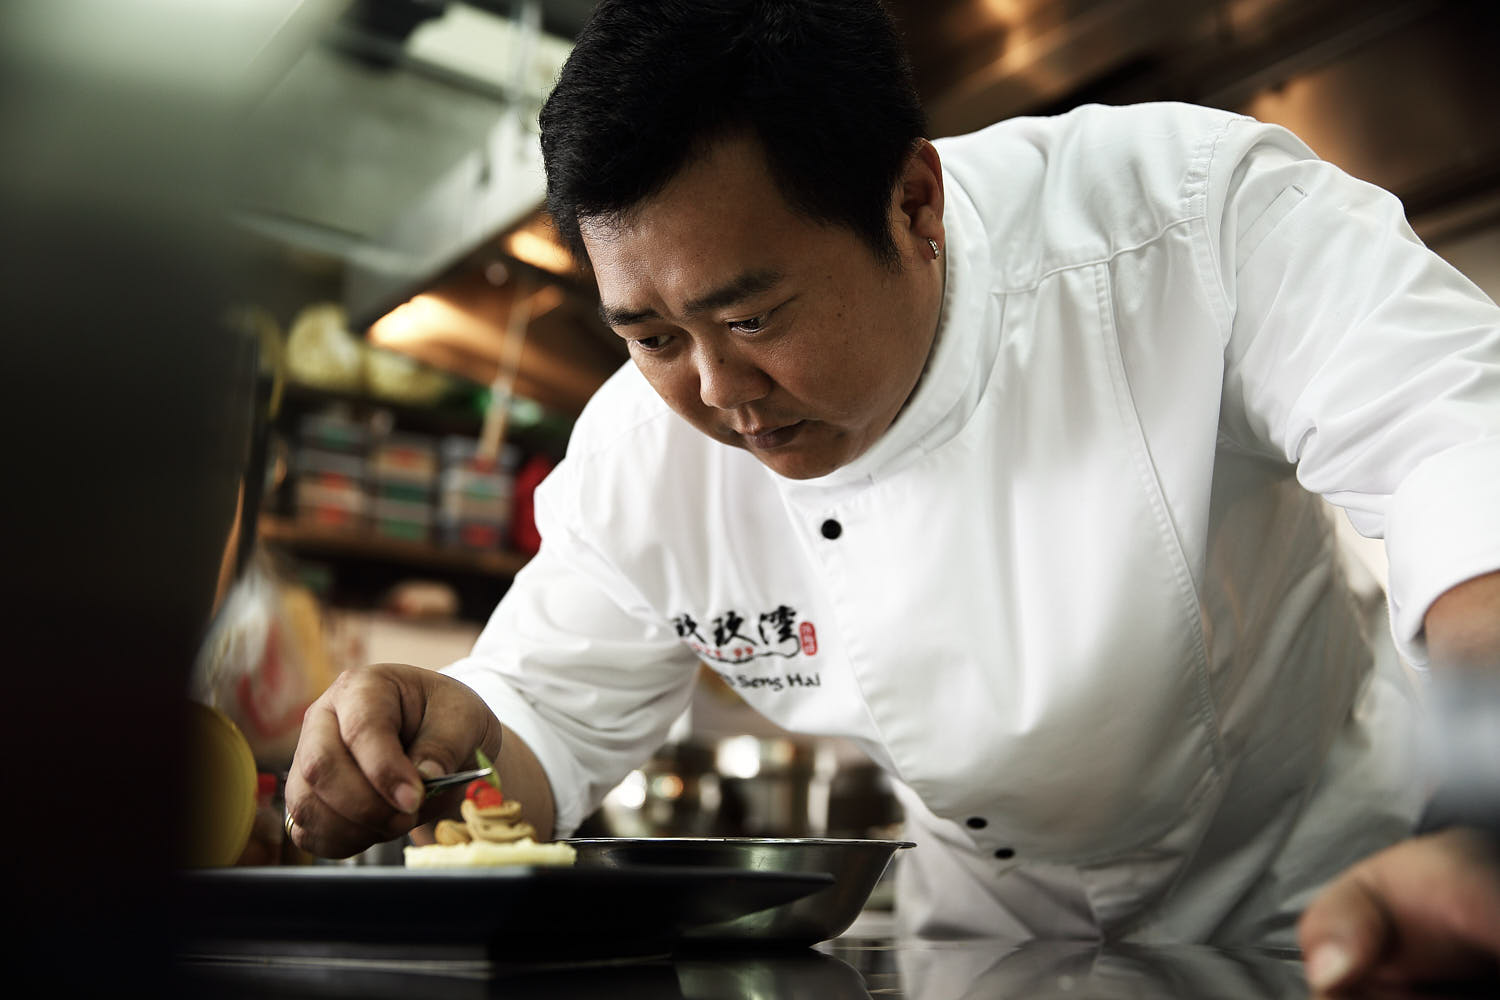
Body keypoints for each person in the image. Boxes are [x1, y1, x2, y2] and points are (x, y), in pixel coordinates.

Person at [285, 0, 1500, 989]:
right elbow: (537, 722)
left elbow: (1459, 455)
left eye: (753, 316)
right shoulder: (637, 453)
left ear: (915, 202)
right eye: (650, 336)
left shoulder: (1187, 223)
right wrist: (435, 742)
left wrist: (1488, 826)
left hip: (1341, 917)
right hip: (982, 958)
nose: (718, 393)